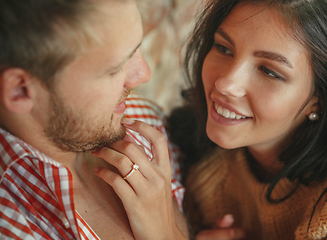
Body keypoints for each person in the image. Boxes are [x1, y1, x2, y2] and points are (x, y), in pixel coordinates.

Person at [168, 0, 327, 239]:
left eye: (269, 71)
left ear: (320, 100)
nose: (226, 84)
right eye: (224, 48)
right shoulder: (204, 181)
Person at [0, 0, 187, 239]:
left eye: (137, 48)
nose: (143, 75)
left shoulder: (145, 121)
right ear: (21, 90)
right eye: (114, 69)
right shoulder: (12, 225)